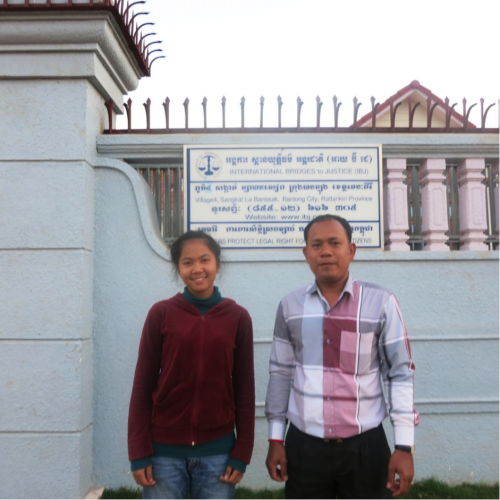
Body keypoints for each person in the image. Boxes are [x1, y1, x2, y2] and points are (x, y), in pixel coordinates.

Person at [265, 214, 419, 500]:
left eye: (335, 243)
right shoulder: (290, 306)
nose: (325, 251)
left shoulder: (381, 302)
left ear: (351, 250)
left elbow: (400, 373)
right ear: (306, 253)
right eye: (317, 245)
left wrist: (403, 445)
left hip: (365, 448)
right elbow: (280, 373)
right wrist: (276, 437)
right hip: (304, 445)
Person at [128, 230, 255, 500]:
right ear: (178, 268)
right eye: (187, 262)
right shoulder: (161, 314)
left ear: (217, 265)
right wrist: (138, 451)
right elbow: (142, 385)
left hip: (218, 452)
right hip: (163, 452)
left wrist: (242, 451)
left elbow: (244, 387)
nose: (197, 269)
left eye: (205, 260)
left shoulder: (238, 317)